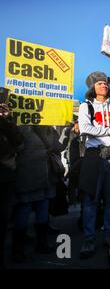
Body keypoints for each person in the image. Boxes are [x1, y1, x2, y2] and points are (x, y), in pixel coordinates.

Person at [78, 71, 110, 258]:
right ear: (93, 87)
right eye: (100, 83)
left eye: (106, 84)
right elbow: (85, 128)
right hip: (95, 156)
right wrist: (109, 130)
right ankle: (89, 239)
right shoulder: (86, 106)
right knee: (91, 200)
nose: (104, 86)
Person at [12, 125, 62, 262]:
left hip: (31, 175)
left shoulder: (21, 127)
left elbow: (17, 147)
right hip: (38, 175)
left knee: (29, 208)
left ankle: (20, 249)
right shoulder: (47, 129)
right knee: (37, 209)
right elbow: (58, 147)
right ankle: (38, 244)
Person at [0, 103, 24, 268]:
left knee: (3, 218)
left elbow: (19, 143)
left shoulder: (5, 123)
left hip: (5, 178)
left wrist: (7, 119)